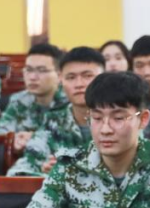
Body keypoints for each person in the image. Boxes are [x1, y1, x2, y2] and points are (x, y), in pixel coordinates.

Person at [9, 72, 150, 208]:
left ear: (143, 119)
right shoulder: (70, 166)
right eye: (97, 118)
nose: (105, 129)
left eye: (118, 118)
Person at [7, 47, 104, 177]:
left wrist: (69, 173)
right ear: (60, 79)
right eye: (71, 77)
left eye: (87, 76)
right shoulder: (53, 121)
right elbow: (19, 171)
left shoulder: (120, 121)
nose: (79, 84)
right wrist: (50, 175)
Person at [0, 43, 68, 153]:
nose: (32, 77)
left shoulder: (71, 102)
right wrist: (14, 140)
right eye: (29, 70)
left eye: (41, 70)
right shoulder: (19, 100)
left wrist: (36, 138)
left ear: (59, 75)